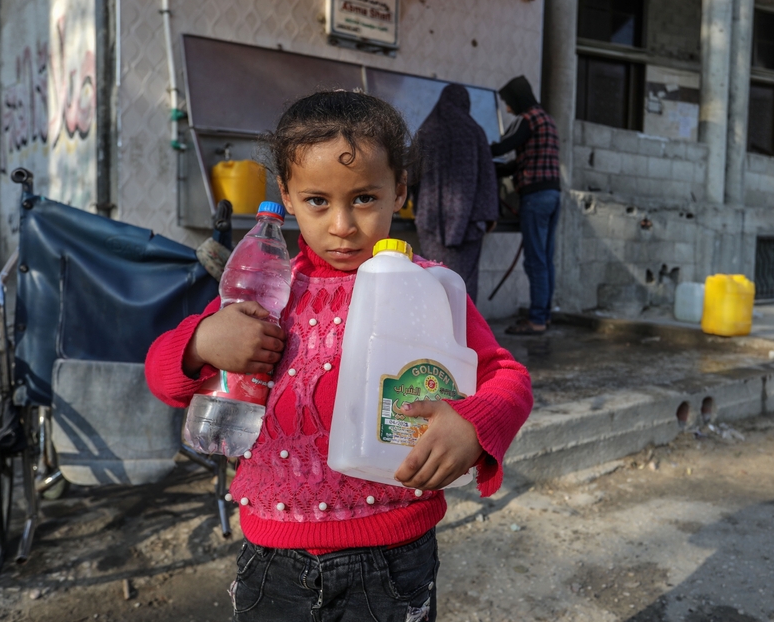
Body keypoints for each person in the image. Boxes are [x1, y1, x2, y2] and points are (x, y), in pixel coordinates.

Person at [144, 91, 532, 622]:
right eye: (318, 201)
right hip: (272, 561)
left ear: (400, 191)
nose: (343, 225)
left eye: (365, 198)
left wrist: (473, 424)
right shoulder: (266, 290)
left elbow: (506, 377)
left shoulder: (429, 290)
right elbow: (163, 376)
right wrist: (200, 342)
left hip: (393, 561)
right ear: (286, 194)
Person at [412, 83, 498, 302]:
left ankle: (435, 331)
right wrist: (489, 216)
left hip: (431, 222)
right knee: (464, 283)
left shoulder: (427, 131)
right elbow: (488, 177)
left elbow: (410, 173)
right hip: (469, 224)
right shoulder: (475, 131)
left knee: (435, 278)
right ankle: (467, 333)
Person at [490, 75, 560, 335]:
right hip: (553, 195)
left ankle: (537, 320)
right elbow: (523, 160)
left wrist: (477, 151)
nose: (508, 109)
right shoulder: (548, 120)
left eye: (508, 103)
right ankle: (546, 314)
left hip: (536, 198)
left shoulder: (528, 120)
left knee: (535, 261)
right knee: (546, 259)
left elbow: (503, 148)